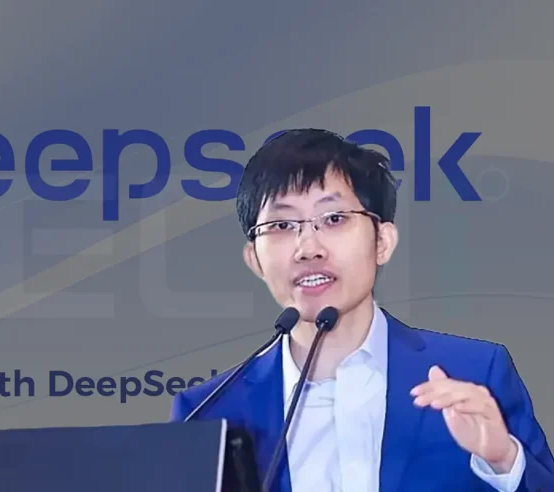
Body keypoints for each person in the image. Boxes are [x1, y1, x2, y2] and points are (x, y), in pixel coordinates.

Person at [169, 129, 554, 491]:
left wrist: (504, 461)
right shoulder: (208, 411)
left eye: (333, 219)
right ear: (254, 258)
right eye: (282, 225)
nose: (308, 248)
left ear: (382, 241)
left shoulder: (475, 372)